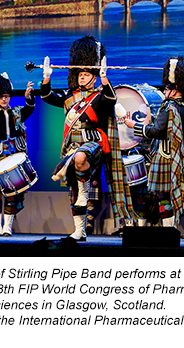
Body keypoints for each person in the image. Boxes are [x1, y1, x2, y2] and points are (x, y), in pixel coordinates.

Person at [40, 35, 137, 241]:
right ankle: (80, 231)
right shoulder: (69, 96)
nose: (82, 77)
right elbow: (48, 97)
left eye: (86, 74)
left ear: (92, 76)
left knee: (80, 159)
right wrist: (46, 78)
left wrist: (104, 78)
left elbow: (112, 98)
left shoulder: (100, 96)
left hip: (93, 143)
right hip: (71, 145)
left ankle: (86, 197)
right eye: (80, 74)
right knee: (74, 191)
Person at [124, 56, 184, 238]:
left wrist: (134, 126)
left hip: (166, 157)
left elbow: (156, 131)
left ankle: (168, 230)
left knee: (164, 196)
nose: (164, 91)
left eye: (166, 88)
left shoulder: (169, 107)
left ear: (173, 89)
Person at [0, 73, 35, 236]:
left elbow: (30, 109)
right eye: (1, 97)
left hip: (13, 155)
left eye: (7, 96)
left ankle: (7, 228)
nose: (4, 99)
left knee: (11, 193)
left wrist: (28, 97)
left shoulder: (17, 112)